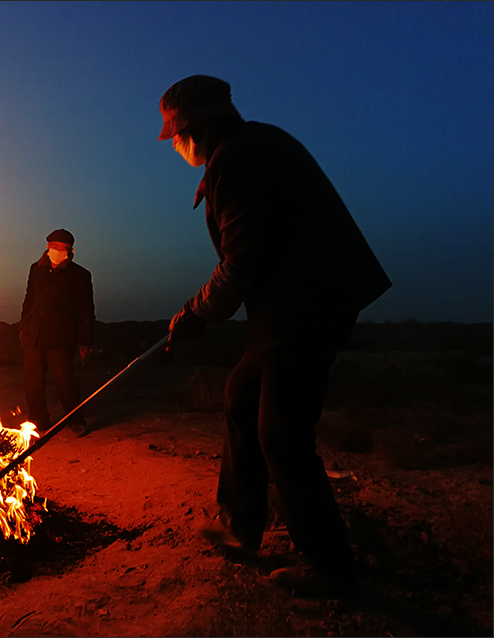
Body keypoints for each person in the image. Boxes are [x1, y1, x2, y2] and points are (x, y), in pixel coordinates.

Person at [158, 75, 391, 596]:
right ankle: (240, 527)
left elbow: (243, 260)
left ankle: (331, 568)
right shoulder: (249, 146)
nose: (174, 144)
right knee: (241, 395)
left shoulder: (239, 159)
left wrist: (196, 313)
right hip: (292, 306)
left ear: (197, 128)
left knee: (282, 434)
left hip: (308, 305)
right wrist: (199, 312)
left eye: (175, 134)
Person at [19, 229, 95, 437]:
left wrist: (85, 341)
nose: (57, 251)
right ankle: (38, 420)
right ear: (47, 247)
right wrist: (24, 325)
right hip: (34, 334)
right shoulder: (37, 269)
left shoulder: (80, 275)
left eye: (62, 248)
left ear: (70, 251)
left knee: (65, 381)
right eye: (53, 246)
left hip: (61, 338)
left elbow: (86, 310)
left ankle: (76, 420)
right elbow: (29, 299)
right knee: (32, 381)